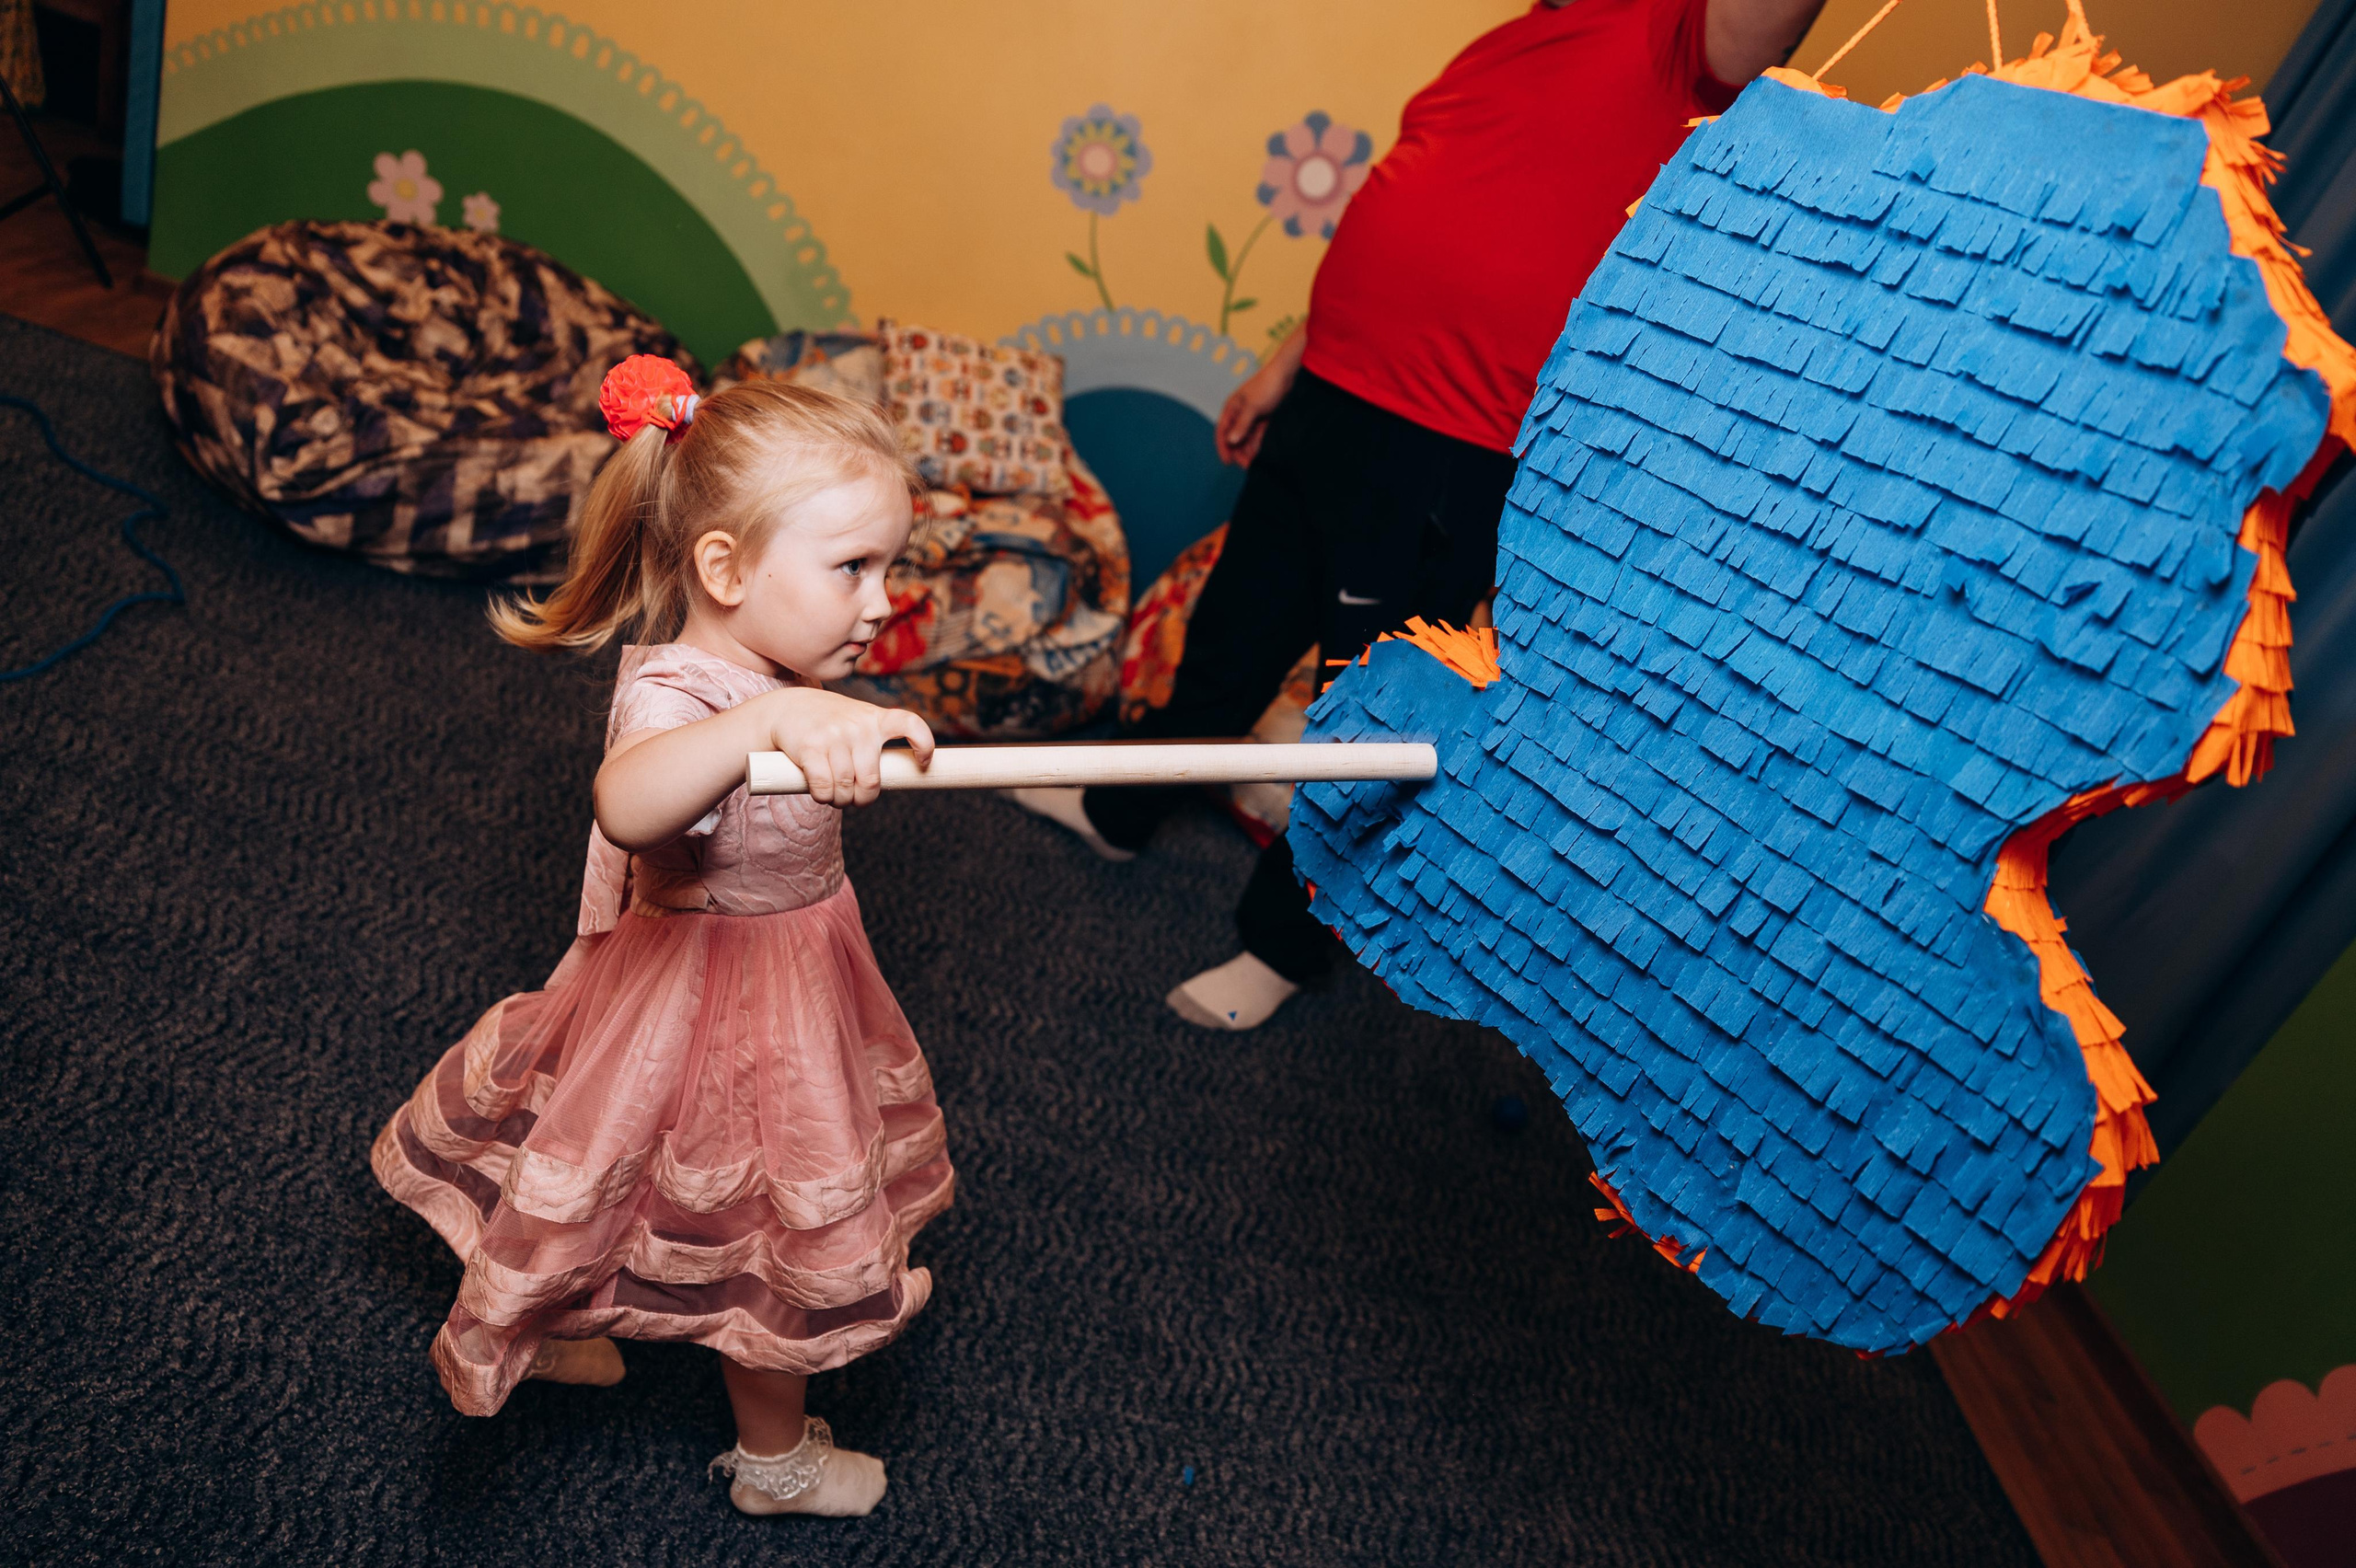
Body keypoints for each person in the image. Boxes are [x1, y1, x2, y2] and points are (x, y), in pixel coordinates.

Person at [1012, 0, 1827, 1032]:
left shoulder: (1677, 39)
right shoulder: (1521, 36)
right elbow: (1433, 207)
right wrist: (1287, 363)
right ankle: (1119, 810)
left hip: (1451, 445)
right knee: (1228, 640)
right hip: (1334, 395)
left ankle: (1284, 944)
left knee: (1359, 716)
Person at [371, 356, 953, 1519]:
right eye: (853, 568)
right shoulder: (683, 694)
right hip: (706, 995)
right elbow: (631, 803)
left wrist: (846, 724)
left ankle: (574, 1325)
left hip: (796, 972)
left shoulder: (782, 669)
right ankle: (774, 1467)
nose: (884, 600)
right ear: (725, 569)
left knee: (639, 1192)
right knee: (774, 1229)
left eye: (889, 565)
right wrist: (776, 719)